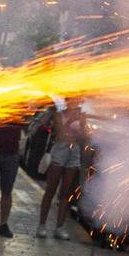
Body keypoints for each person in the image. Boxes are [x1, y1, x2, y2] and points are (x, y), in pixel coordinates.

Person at [37, 98, 89, 239]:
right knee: (50, 189)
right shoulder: (59, 114)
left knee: (66, 192)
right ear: (67, 100)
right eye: (72, 99)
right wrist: (73, 120)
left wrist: (83, 125)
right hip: (60, 150)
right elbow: (60, 134)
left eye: (76, 99)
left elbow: (85, 137)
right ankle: (42, 225)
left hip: (74, 152)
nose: (74, 102)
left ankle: (59, 227)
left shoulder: (81, 116)